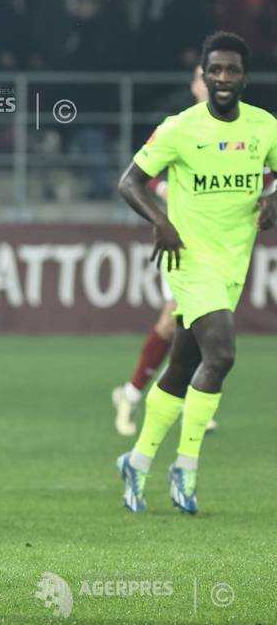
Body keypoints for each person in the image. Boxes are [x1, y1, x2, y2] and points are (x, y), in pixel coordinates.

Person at [115, 31, 276, 514]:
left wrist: (272, 198)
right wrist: (162, 222)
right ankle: (185, 467)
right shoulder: (179, 128)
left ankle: (137, 461)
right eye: (216, 70)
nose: (223, 78)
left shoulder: (265, 127)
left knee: (183, 365)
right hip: (189, 258)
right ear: (203, 76)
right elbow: (129, 182)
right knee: (221, 354)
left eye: (232, 70)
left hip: (233, 261)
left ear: (244, 76)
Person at [112, 66, 212, 436]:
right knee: (178, 320)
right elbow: (143, 171)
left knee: (196, 324)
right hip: (180, 241)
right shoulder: (180, 127)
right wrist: (163, 189)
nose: (210, 82)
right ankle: (134, 393)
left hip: (217, 244)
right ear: (194, 85)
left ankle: (155, 394)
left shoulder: (238, 132)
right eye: (204, 75)